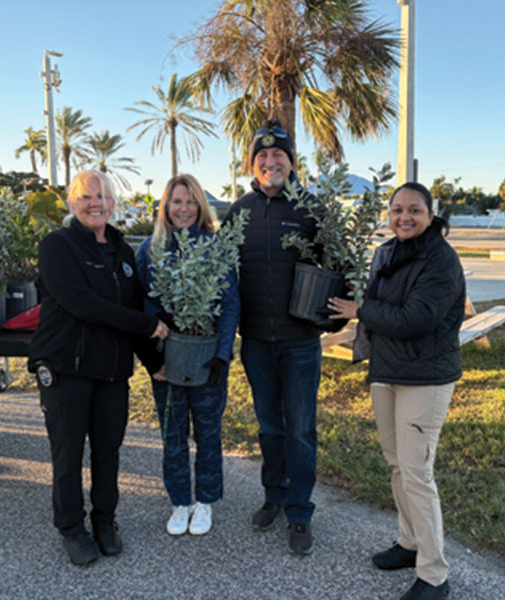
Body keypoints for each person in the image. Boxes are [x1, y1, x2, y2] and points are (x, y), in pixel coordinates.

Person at [328, 182, 465, 600]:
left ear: (430, 213)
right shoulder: (385, 252)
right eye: (397, 210)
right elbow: (376, 305)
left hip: (425, 377)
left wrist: (360, 310)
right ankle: (410, 543)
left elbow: (415, 319)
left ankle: (435, 575)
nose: (404, 217)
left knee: (418, 474)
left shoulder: (440, 259)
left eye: (414, 210)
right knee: (397, 465)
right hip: (386, 371)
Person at [29, 170, 168, 566]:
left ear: (113, 203)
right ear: (73, 203)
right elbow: (82, 304)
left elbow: (132, 308)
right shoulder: (57, 246)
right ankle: (71, 528)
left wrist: (153, 361)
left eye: (104, 196)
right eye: (87, 196)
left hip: (111, 373)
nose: (97, 203)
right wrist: (145, 326)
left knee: (108, 451)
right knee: (68, 454)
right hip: (66, 368)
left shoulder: (123, 253)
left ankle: (105, 521)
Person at [222, 118, 322, 556]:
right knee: (269, 427)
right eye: (262, 157)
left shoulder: (312, 210)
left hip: (301, 340)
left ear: (290, 162)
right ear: (253, 164)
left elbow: (335, 267)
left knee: (300, 429)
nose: (270, 162)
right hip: (257, 340)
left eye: (277, 155)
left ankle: (300, 511)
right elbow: (221, 272)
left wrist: (331, 317)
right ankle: (274, 496)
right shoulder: (239, 211)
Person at [135, 174, 239, 537]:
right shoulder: (149, 249)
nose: (183, 209)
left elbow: (229, 305)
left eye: (190, 202)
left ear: (200, 206)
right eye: (176, 201)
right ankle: (180, 500)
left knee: (208, 432)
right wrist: (153, 359)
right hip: (166, 361)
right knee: (172, 432)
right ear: (165, 206)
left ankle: (205, 501)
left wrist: (223, 356)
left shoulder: (216, 246)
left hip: (208, 358)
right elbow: (140, 305)